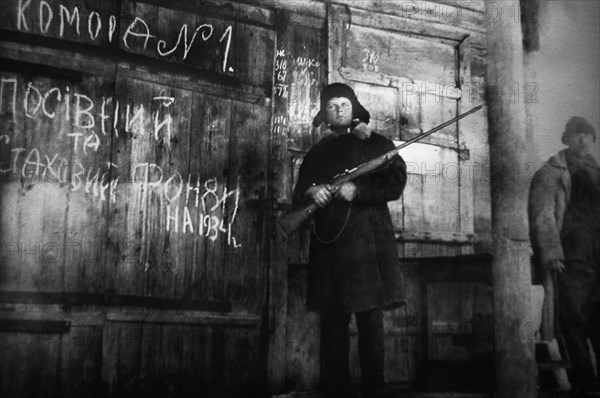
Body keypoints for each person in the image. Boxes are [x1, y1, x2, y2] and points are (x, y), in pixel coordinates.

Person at [292, 83, 407, 398]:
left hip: (369, 249)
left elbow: (395, 182)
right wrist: (310, 191)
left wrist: (358, 191)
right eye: (332, 105)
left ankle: (374, 390)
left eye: (344, 104)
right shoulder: (317, 153)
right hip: (331, 249)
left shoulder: (377, 143)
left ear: (354, 108)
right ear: (325, 114)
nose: (339, 109)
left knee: (371, 325)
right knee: (333, 327)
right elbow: (297, 195)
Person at [528, 116, 600, 397]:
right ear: (566, 139)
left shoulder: (597, 171)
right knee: (573, 319)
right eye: (577, 135)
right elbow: (542, 216)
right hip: (571, 256)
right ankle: (584, 380)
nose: (583, 140)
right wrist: (551, 252)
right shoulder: (551, 172)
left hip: (597, 254)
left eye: (588, 135)